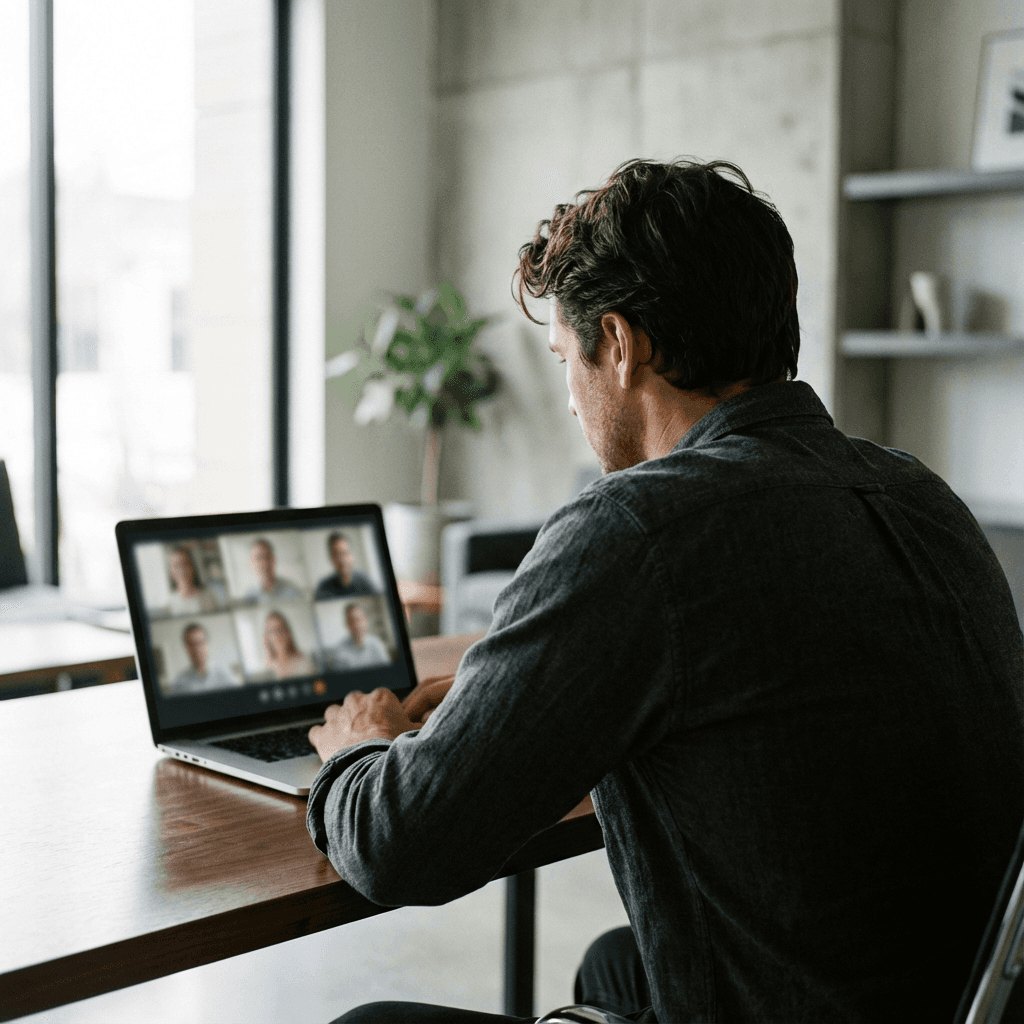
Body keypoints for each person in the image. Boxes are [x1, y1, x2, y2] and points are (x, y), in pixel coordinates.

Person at [304, 160, 1024, 1023]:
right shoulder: (919, 494)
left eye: (565, 358)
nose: (569, 401)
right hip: (957, 1000)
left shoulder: (638, 527)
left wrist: (358, 749)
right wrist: (525, 697)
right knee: (620, 960)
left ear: (619, 343)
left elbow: (399, 845)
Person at [164, 622, 240, 696]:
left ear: (206, 645)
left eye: (200, 642)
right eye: (191, 644)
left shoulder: (224, 676)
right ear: (186, 648)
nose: (197, 649)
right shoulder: (179, 684)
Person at [327, 602, 390, 671]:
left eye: (359, 619)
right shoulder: (340, 651)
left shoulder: (376, 644)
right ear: (347, 624)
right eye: (352, 621)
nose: (357, 625)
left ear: (366, 621)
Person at [315, 532, 377, 600]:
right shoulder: (323, 587)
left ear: (352, 556)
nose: (342, 559)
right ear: (331, 558)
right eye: (337, 554)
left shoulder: (365, 580)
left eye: (345, 553)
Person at [166, 545, 224, 615]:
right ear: (171, 572)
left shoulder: (208, 597)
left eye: (185, 564)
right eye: (176, 566)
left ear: (192, 567)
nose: (182, 570)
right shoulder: (169, 603)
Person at [244, 537, 303, 603]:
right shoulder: (249, 596)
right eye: (258, 558)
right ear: (252, 563)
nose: (263, 563)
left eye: (266, 557)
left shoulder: (292, 591)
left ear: (273, 559)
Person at [262, 610, 315, 680]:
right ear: (267, 637)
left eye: (280, 629)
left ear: (288, 633)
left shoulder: (304, 662)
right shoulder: (267, 667)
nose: (277, 635)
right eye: (272, 631)